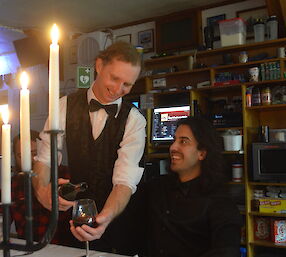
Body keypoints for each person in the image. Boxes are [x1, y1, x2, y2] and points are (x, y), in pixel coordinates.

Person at [32, 41, 146, 253]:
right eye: (114, 78)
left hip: (117, 222)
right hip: (74, 217)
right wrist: (43, 192)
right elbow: (45, 158)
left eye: (127, 84)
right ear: (99, 65)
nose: (117, 89)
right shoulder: (64, 106)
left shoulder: (135, 120)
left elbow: (125, 182)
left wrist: (105, 218)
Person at [142, 116, 242, 257]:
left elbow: (227, 251)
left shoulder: (220, 203)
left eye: (183, 141)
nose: (173, 147)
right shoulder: (157, 187)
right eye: (174, 140)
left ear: (202, 153)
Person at [10, 130, 71, 244]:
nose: (30, 160)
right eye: (21, 155)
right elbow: (3, 218)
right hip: (27, 247)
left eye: (35, 154)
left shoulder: (65, 176)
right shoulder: (13, 184)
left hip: (64, 248)